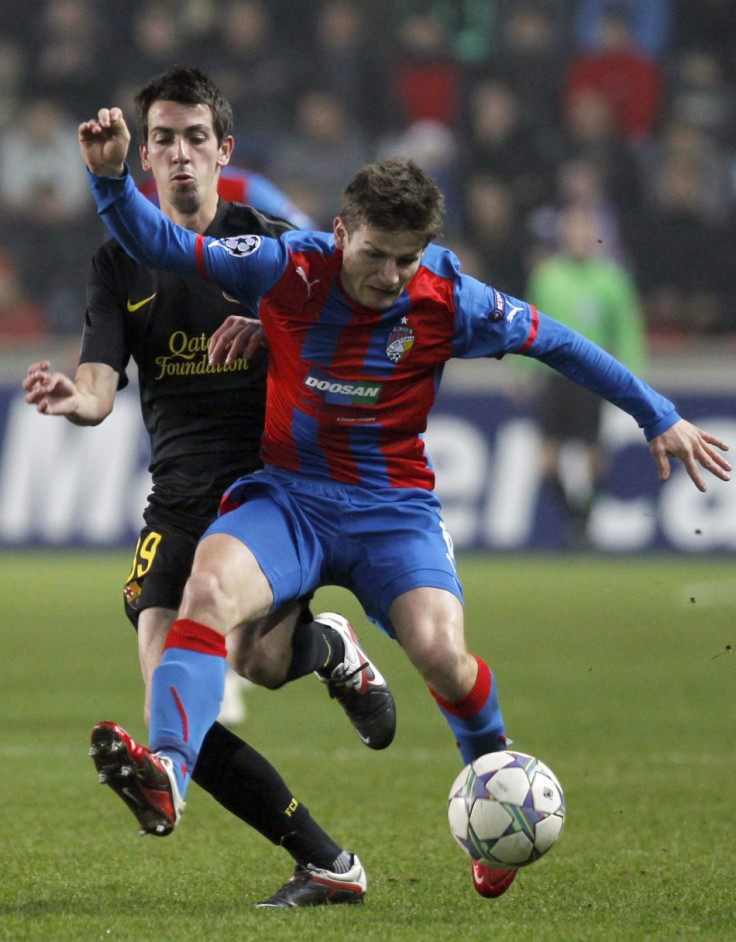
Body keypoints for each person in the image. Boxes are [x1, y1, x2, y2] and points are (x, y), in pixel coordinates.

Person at [77, 105, 731, 901]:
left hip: (393, 511)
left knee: (441, 656)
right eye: (376, 256)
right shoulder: (290, 267)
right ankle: (170, 773)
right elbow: (164, 245)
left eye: (406, 260)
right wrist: (112, 180)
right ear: (341, 229)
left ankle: (492, 788)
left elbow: (556, 340)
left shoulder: (447, 297)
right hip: (289, 498)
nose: (389, 277)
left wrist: (656, 414)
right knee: (209, 591)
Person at [24, 67, 398, 909]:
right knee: (176, 696)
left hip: (270, 494)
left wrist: (273, 326)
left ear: (224, 151)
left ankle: (325, 651)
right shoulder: (120, 260)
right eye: (164, 139)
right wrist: (70, 399)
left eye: (197, 137)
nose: (180, 154)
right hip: (181, 499)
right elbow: (97, 384)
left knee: (258, 663)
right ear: (146, 156)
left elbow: (351, 324)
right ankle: (327, 862)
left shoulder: (268, 245)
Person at [523, 202, 648, 547]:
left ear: (593, 234)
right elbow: (529, 326)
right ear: (563, 234)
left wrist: (631, 377)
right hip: (554, 377)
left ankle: (582, 525)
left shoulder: (611, 278)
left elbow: (627, 330)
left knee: (594, 460)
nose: (578, 236)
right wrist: (522, 370)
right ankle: (577, 520)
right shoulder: (547, 275)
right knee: (547, 462)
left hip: (591, 378)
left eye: (583, 228)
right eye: (571, 228)